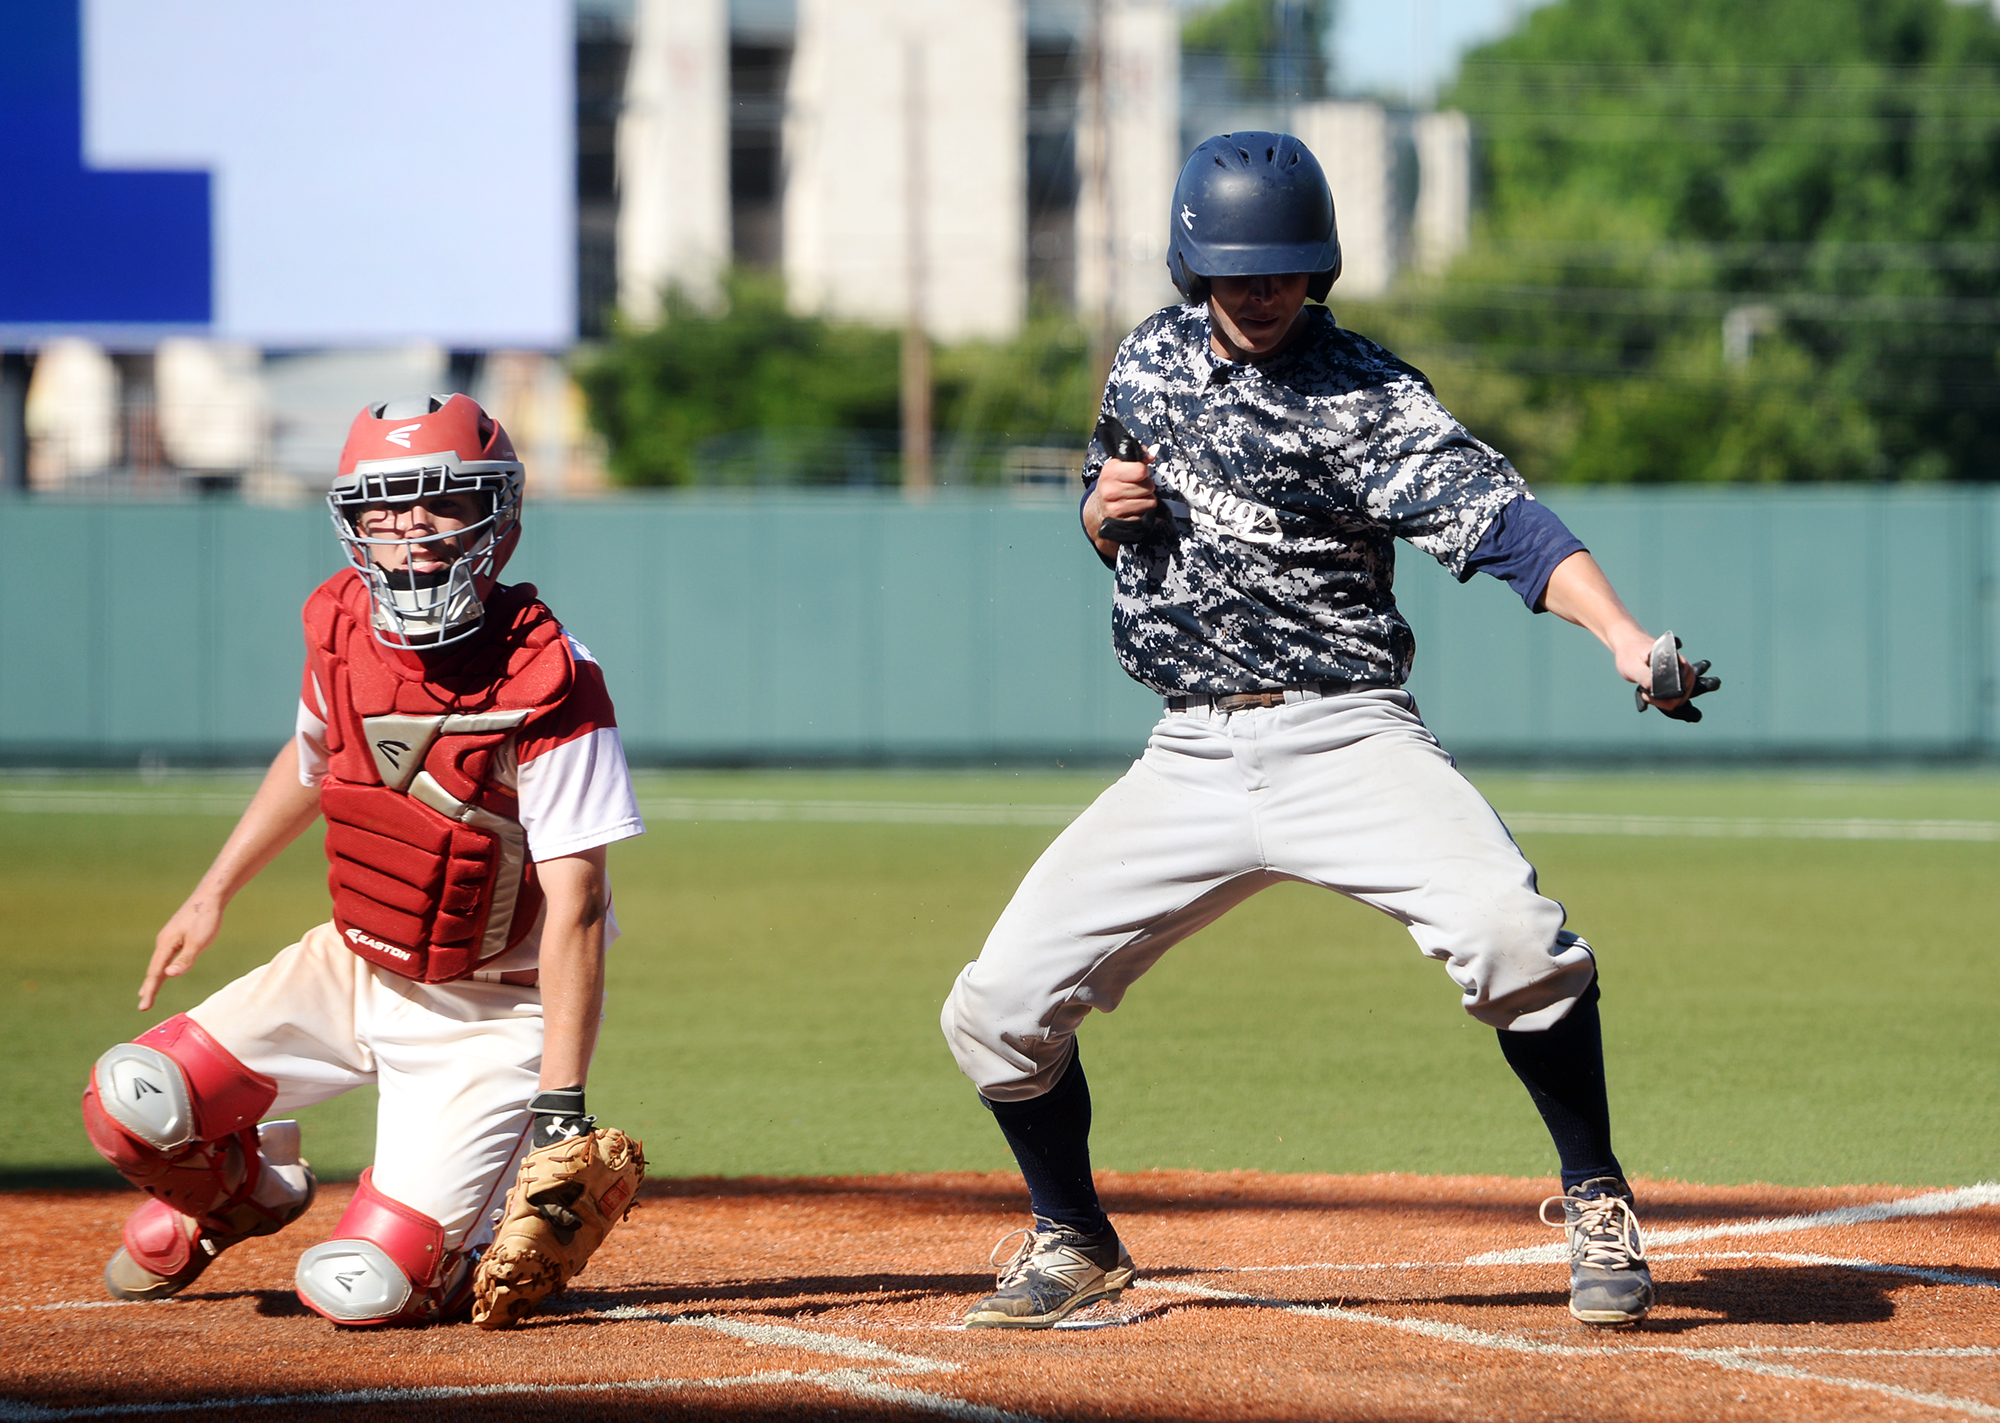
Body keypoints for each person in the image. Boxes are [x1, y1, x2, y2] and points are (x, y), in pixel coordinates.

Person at [940, 133, 1717, 1332]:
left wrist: (1619, 636)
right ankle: (1072, 1237)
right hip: (1189, 754)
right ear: (1192, 266)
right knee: (993, 1008)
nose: (1262, 293)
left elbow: (1506, 527)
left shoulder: (1369, 394)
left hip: (1346, 737)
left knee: (1514, 939)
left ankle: (1596, 1193)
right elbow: (1110, 509)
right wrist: (1094, 511)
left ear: (1321, 267)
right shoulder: (1145, 359)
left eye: (1286, 270)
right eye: (1239, 271)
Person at [81, 394, 646, 1325]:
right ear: (352, 522)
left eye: (441, 503)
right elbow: (310, 764)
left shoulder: (554, 678)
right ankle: (245, 1193)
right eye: (383, 505)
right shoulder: (344, 626)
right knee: (130, 1102)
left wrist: (560, 1101)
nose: (408, 529)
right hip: (346, 965)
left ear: (496, 520)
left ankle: (439, 1246)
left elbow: (578, 904)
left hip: (488, 1012)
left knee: (367, 1288)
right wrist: (210, 892)